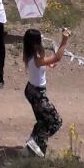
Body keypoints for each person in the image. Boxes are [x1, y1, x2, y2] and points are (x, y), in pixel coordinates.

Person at [22, 27, 69, 156]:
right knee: (55, 121)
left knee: (43, 121)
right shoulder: (37, 58)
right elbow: (58, 57)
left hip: (30, 90)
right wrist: (64, 40)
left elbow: (40, 61)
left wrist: (47, 64)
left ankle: (34, 143)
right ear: (36, 42)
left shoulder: (29, 53)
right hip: (38, 95)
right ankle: (36, 141)